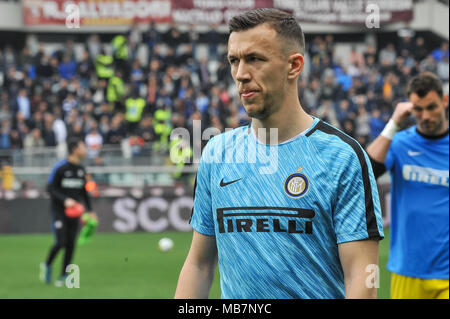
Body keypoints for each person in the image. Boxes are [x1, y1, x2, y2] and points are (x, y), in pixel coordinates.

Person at [174, 8, 384, 299]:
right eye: (234, 61)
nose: (240, 74)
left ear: (294, 66)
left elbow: (362, 278)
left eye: (255, 59)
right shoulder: (217, 154)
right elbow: (199, 265)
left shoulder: (343, 158)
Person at [366, 72, 449, 299]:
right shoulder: (401, 142)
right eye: (418, 109)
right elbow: (365, 171)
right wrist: (393, 124)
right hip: (408, 269)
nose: (425, 116)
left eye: (431, 107)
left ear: (444, 101)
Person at [40, 138, 98, 287]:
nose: (85, 150)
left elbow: (84, 192)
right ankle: (47, 265)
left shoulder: (81, 170)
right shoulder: (60, 168)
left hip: (75, 213)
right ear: (75, 150)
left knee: (71, 244)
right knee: (60, 242)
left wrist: (90, 210)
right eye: (82, 147)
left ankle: (64, 276)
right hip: (59, 211)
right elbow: (50, 188)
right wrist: (65, 199)